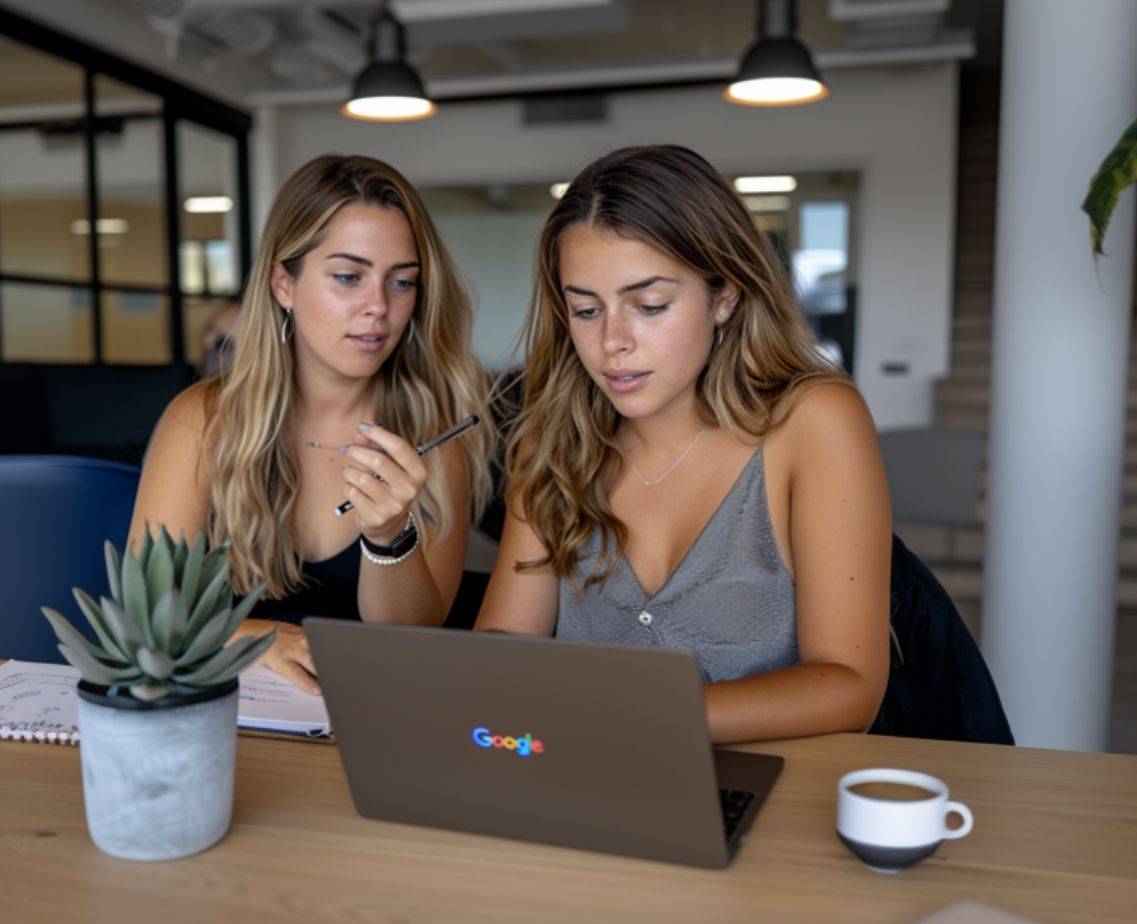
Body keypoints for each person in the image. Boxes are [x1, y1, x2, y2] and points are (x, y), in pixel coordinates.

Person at [475, 145, 891, 743]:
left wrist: (627, 720)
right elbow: (505, 642)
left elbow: (849, 685)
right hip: (577, 784)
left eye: (649, 306)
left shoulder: (815, 422)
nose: (612, 342)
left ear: (724, 296)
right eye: (586, 310)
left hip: (771, 796)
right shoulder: (554, 438)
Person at [131, 154, 494, 695]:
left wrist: (389, 538)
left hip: (374, 720)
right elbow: (145, 613)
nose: (378, 307)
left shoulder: (430, 437)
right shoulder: (203, 421)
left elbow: (413, 635)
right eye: (349, 277)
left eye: (402, 283)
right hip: (228, 722)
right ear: (283, 283)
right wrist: (256, 637)